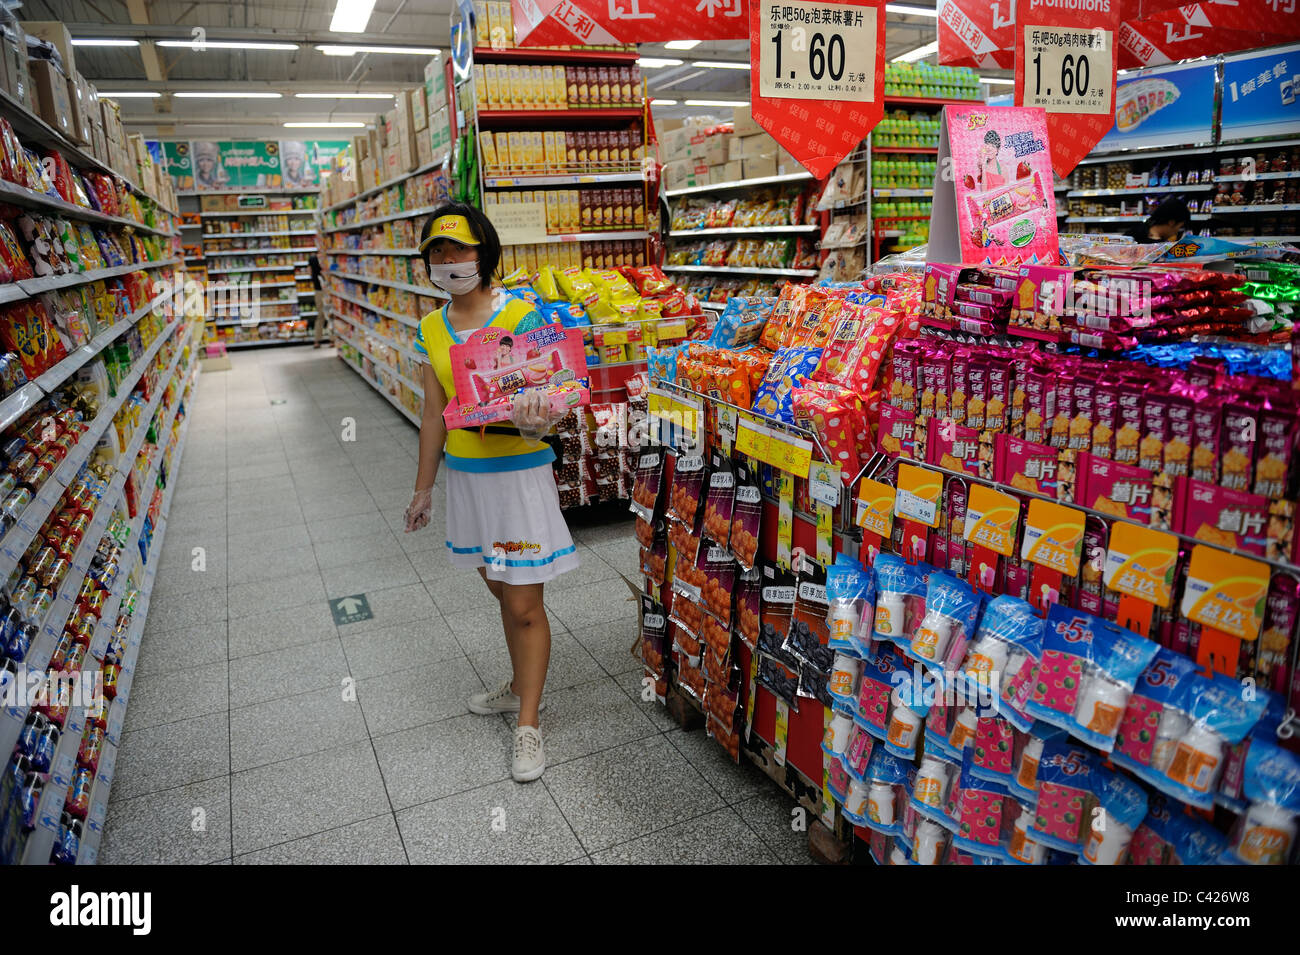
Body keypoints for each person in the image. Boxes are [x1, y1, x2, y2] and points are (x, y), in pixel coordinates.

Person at [403, 202, 579, 783]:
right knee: (504, 592)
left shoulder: (524, 317)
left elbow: (557, 402)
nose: (450, 262)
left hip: (519, 480)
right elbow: (433, 415)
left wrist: (537, 417)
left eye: (460, 250)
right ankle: (517, 687)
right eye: (438, 253)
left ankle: (528, 723)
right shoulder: (432, 327)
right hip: (469, 485)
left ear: (485, 253)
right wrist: (424, 488)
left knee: (526, 604)